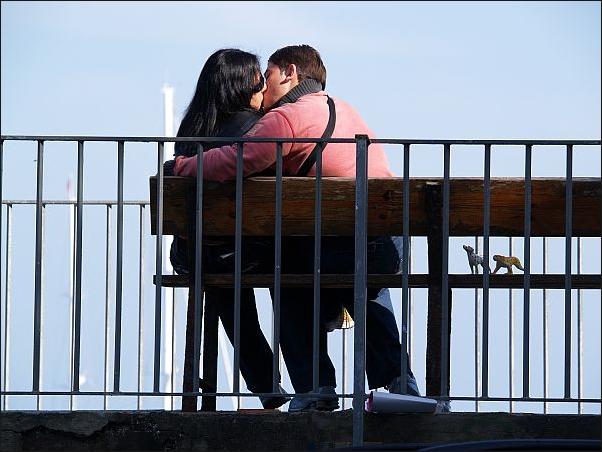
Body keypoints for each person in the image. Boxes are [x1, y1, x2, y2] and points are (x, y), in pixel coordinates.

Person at [174, 44, 420, 412]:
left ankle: (314, 388)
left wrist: (182, 167)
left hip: (330, 249)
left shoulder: (284, 118)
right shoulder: (346, 109)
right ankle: (399, 381)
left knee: (289, 280)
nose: (264, 87)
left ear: (289, 73)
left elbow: (237, 160)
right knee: (363, 283)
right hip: (386, 245)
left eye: (268, 75)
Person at [165, 48, 288, 409]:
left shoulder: (192, 129)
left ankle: (262, 383)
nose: (263, 87)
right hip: (249, 254)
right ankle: (297, 383)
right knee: (253, 272)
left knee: (223, 283)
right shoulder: (258, 129)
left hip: (192, 254)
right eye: (258, 80)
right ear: (242, 85)